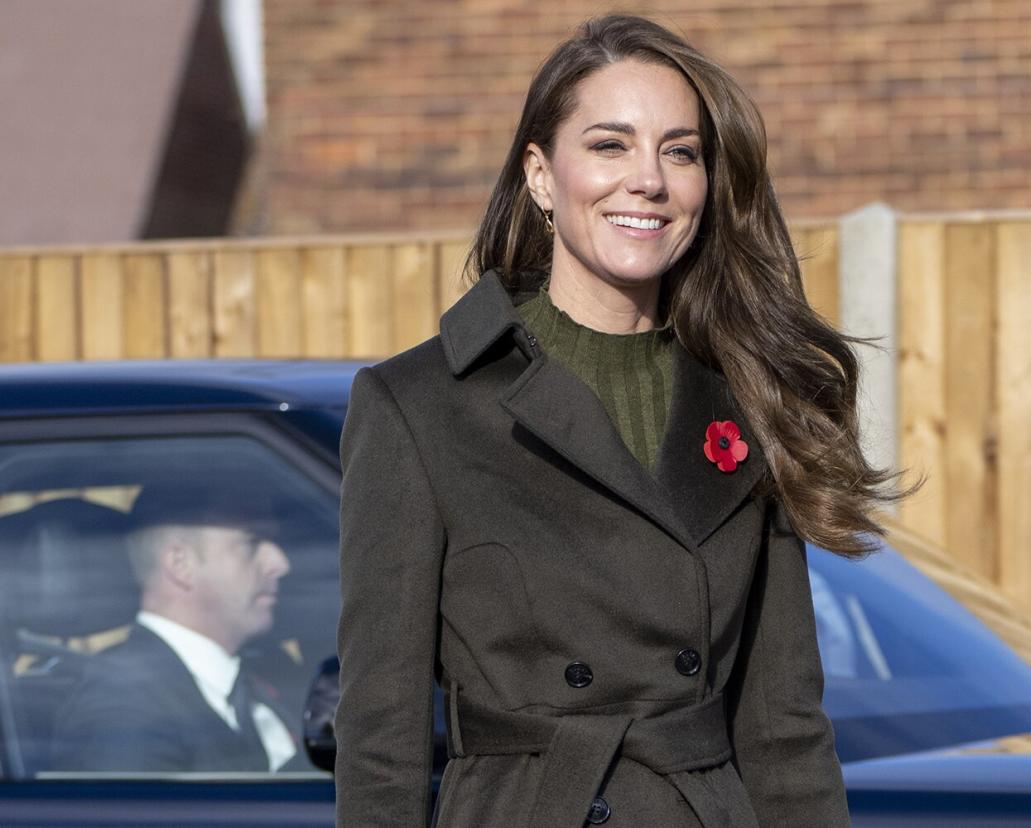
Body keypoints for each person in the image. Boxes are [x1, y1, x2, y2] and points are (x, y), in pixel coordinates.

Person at [336, 14, 899, 827]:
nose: (649, 181)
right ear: (540, 175)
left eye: (680, 152)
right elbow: (379, 740)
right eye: (609, 146)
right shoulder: (421, 406)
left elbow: (784, 730)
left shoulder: (749, 396)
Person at [53, 485, 299, 773]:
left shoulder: (271, 676)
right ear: (181, 565)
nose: (281, 564)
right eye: (252, 542)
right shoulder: (124, 713)